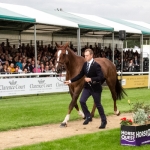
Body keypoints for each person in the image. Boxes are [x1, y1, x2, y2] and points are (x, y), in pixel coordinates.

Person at [64, 49, 107, 129]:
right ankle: (88, 116)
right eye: (85, 55)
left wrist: (91, 79)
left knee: (98, 105)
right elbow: (80, 75)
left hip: (95, 88)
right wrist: (70, 81)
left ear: (91, 55)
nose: (85, 57)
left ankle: (104, 121)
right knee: (82, 101)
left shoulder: (96, 65)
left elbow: (101, 77)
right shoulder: (85, 65)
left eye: (87, 55)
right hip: (87, 87)